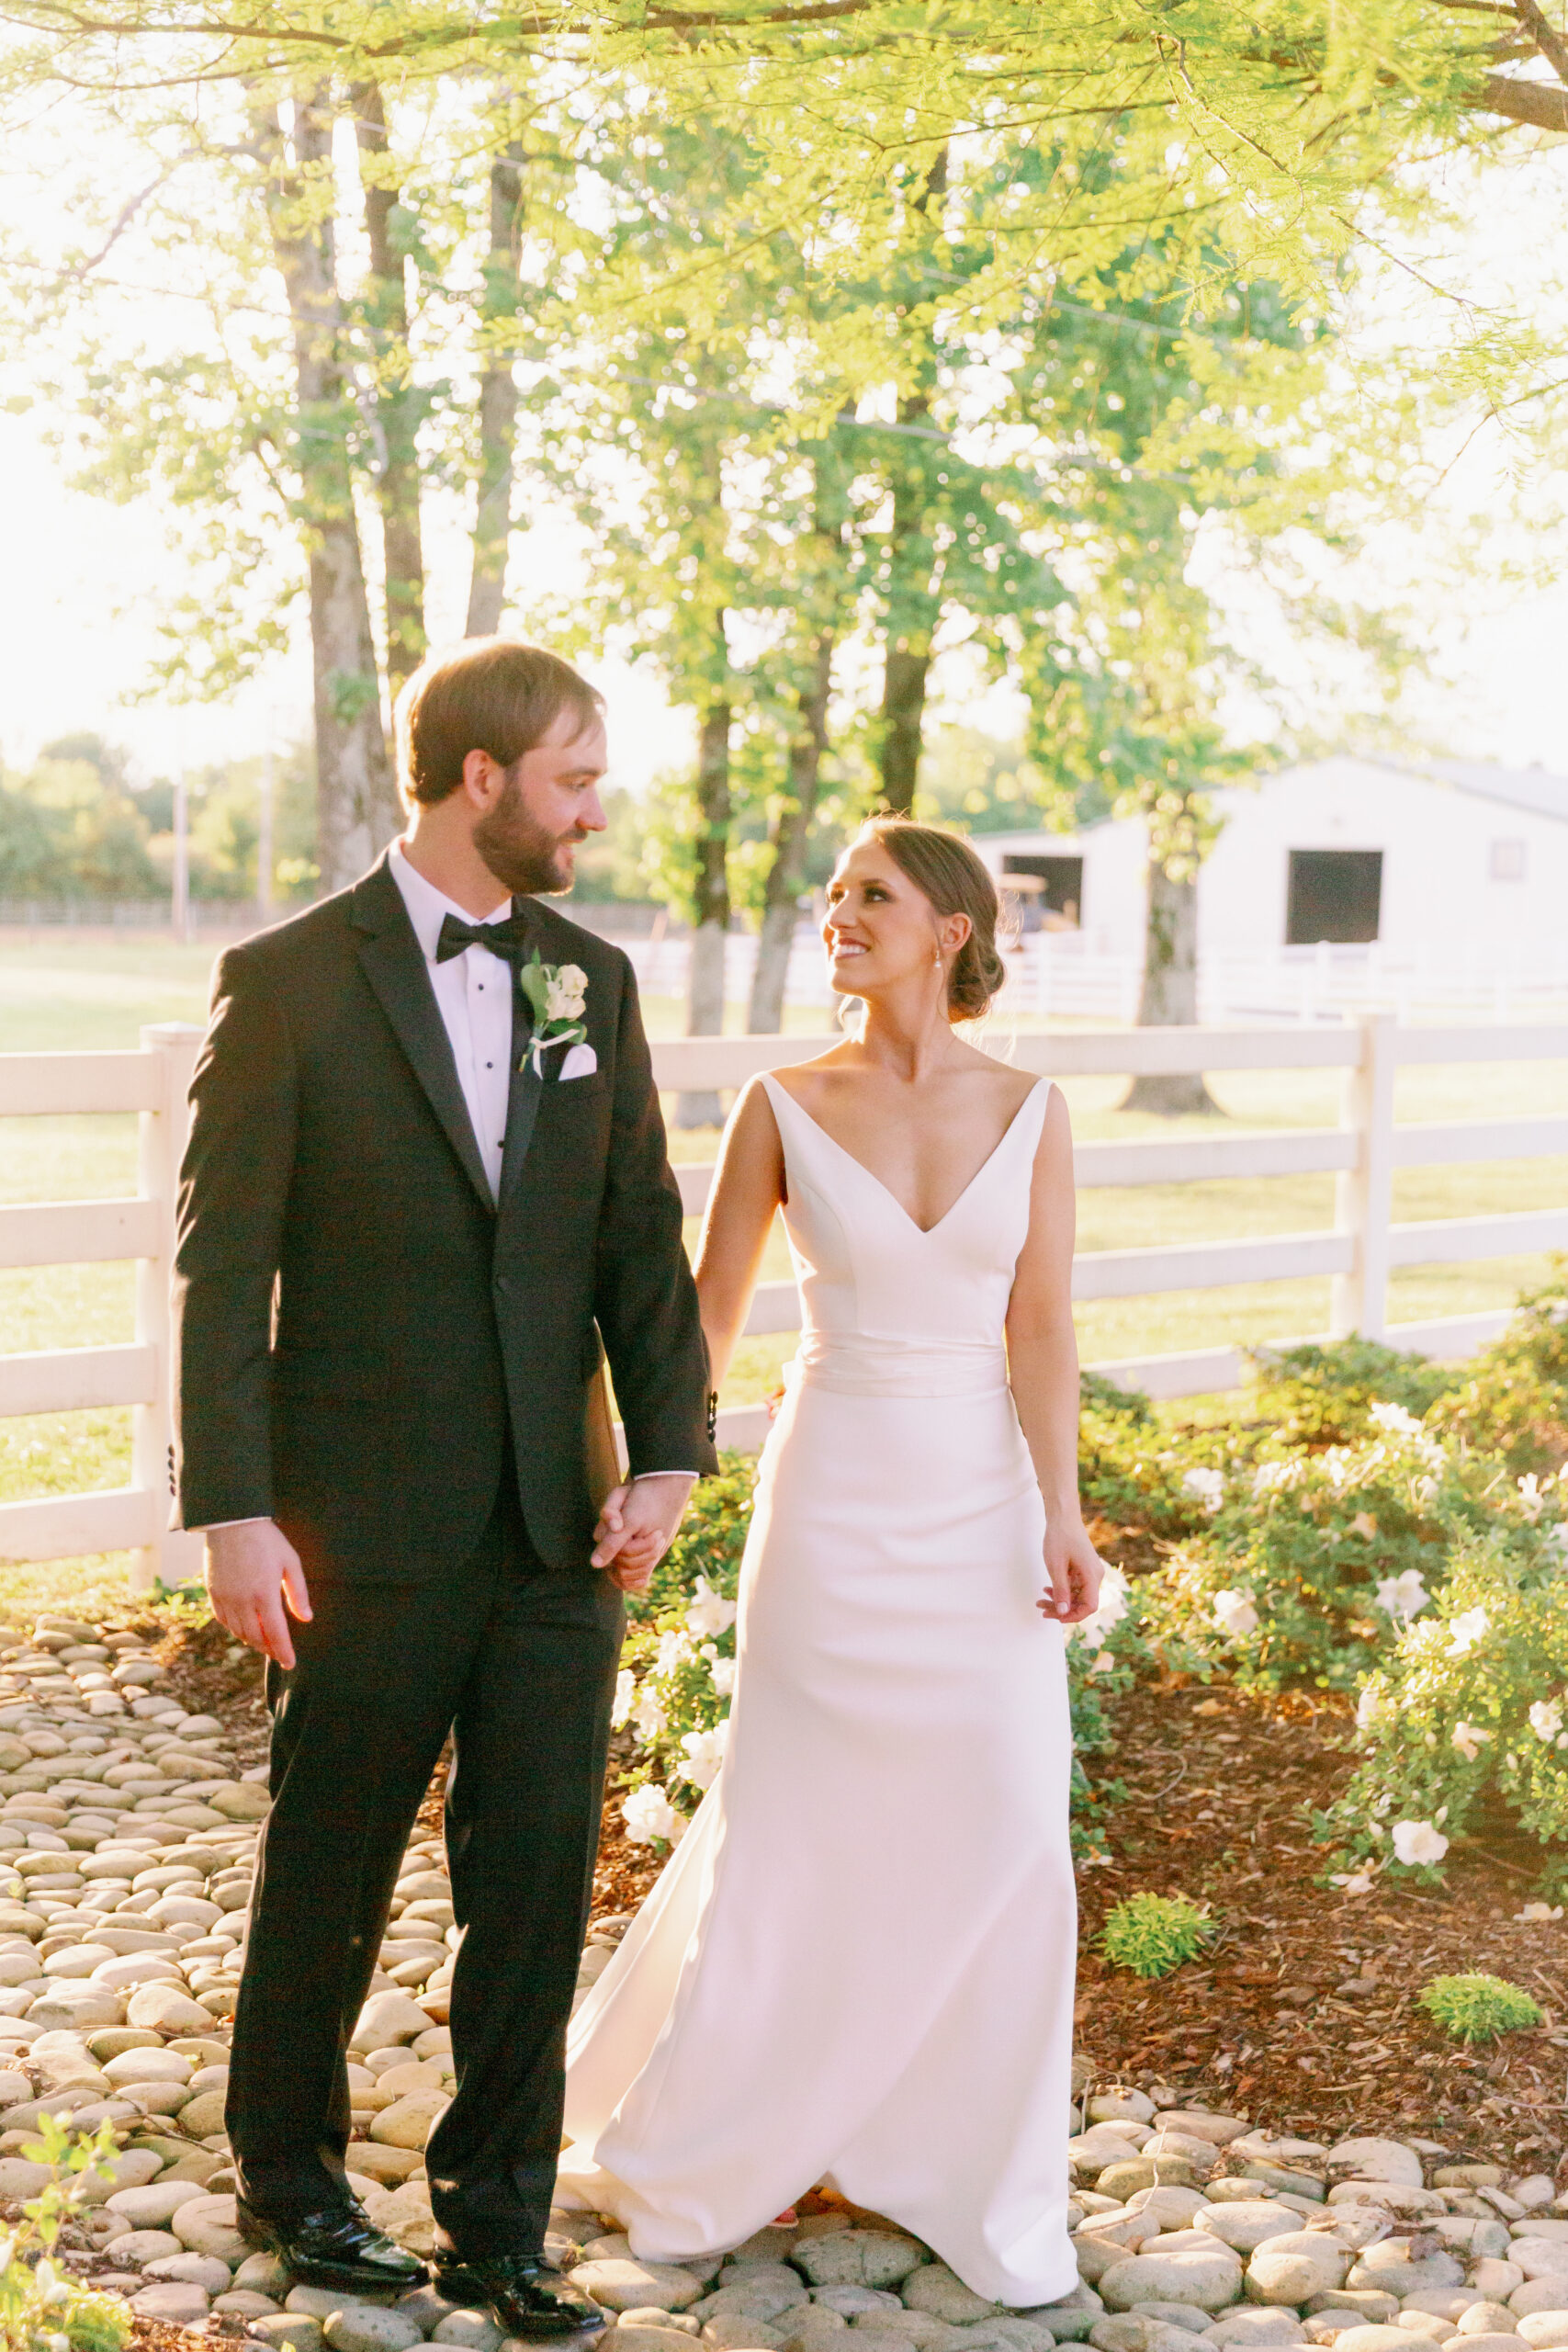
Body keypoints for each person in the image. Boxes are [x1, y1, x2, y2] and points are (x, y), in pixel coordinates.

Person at [170, 639, 717, 2338]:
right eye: (572, 780)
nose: (593, 811)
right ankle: (295, 2180)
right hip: (354, 1523)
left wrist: (676, 1450)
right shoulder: (287, 980)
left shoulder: (588, 982)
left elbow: (639, 1233)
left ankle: (497, 2227)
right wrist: (234, 1508)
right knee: (327, 1867)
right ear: (478, 779)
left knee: (536, 1882)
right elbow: (219, 1268)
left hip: (560, 1523)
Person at [558, 816, 1105, 2306]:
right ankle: (732, 2142)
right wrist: (657, 1480)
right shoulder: (782, 1104)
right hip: (835, 1498)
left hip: (979, 1507)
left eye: (873, 894)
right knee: (799, 1826)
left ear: (950, 926)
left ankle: (959, 2163)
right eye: (836, 895)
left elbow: (1042, 1328)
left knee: (999, 1822)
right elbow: (710, 1312)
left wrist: (1063, 1511)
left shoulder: (1037, 1108)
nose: (840, 913)